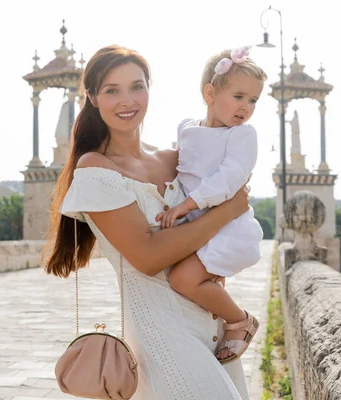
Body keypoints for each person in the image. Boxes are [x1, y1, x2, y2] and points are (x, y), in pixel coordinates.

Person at [44, 45, 252, 399]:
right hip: (161, 333)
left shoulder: (177, 158)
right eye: (112, 90)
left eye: (137, 87)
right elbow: (148, 257)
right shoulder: (96, 168)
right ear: (92, 97)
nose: (128, 100)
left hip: (215, 328)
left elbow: (233, 205)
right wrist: (226, 211)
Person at [155, 46, 267, 364]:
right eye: (239, 96)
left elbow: (228, 178)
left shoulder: (242, 136)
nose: (246, 107)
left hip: (229, 227)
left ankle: (240, 320)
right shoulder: (187, 128)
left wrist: (187, 205)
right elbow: (180, 163)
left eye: (253, 100)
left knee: (182, 279)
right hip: (200, 224)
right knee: (194, 281)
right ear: (210, 92)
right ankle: (215, 325)